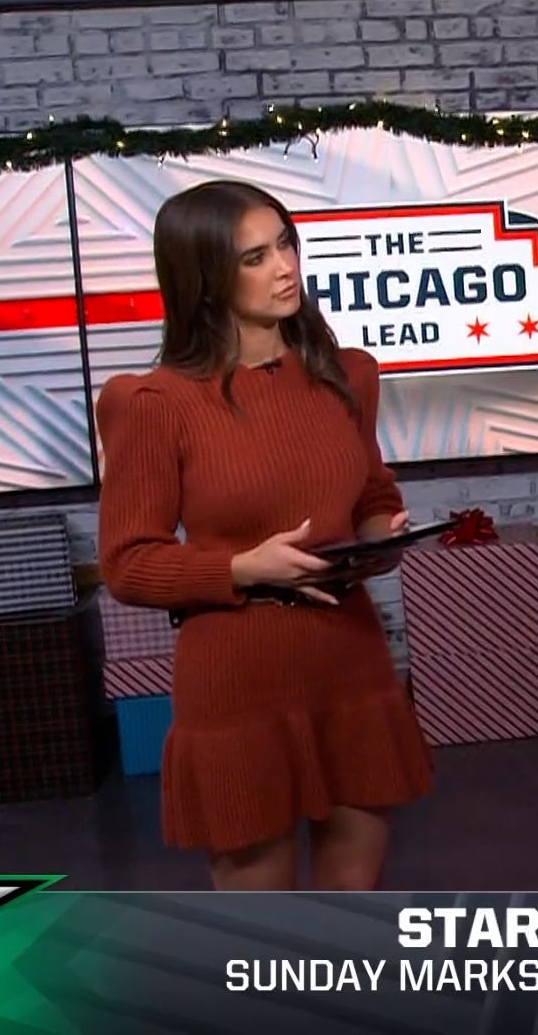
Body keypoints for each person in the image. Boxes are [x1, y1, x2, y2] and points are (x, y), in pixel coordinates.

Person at [96, 179, 435, 890]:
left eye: (285, 244)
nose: (285, 267)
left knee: (354, 906)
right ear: (203, 279)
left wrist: (377, 540)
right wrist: (245, 568)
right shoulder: (154, 404)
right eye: (254, 258)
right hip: (237, 677)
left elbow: (372, 494)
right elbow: (127, 564)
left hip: (348, 658)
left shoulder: (346, 376)